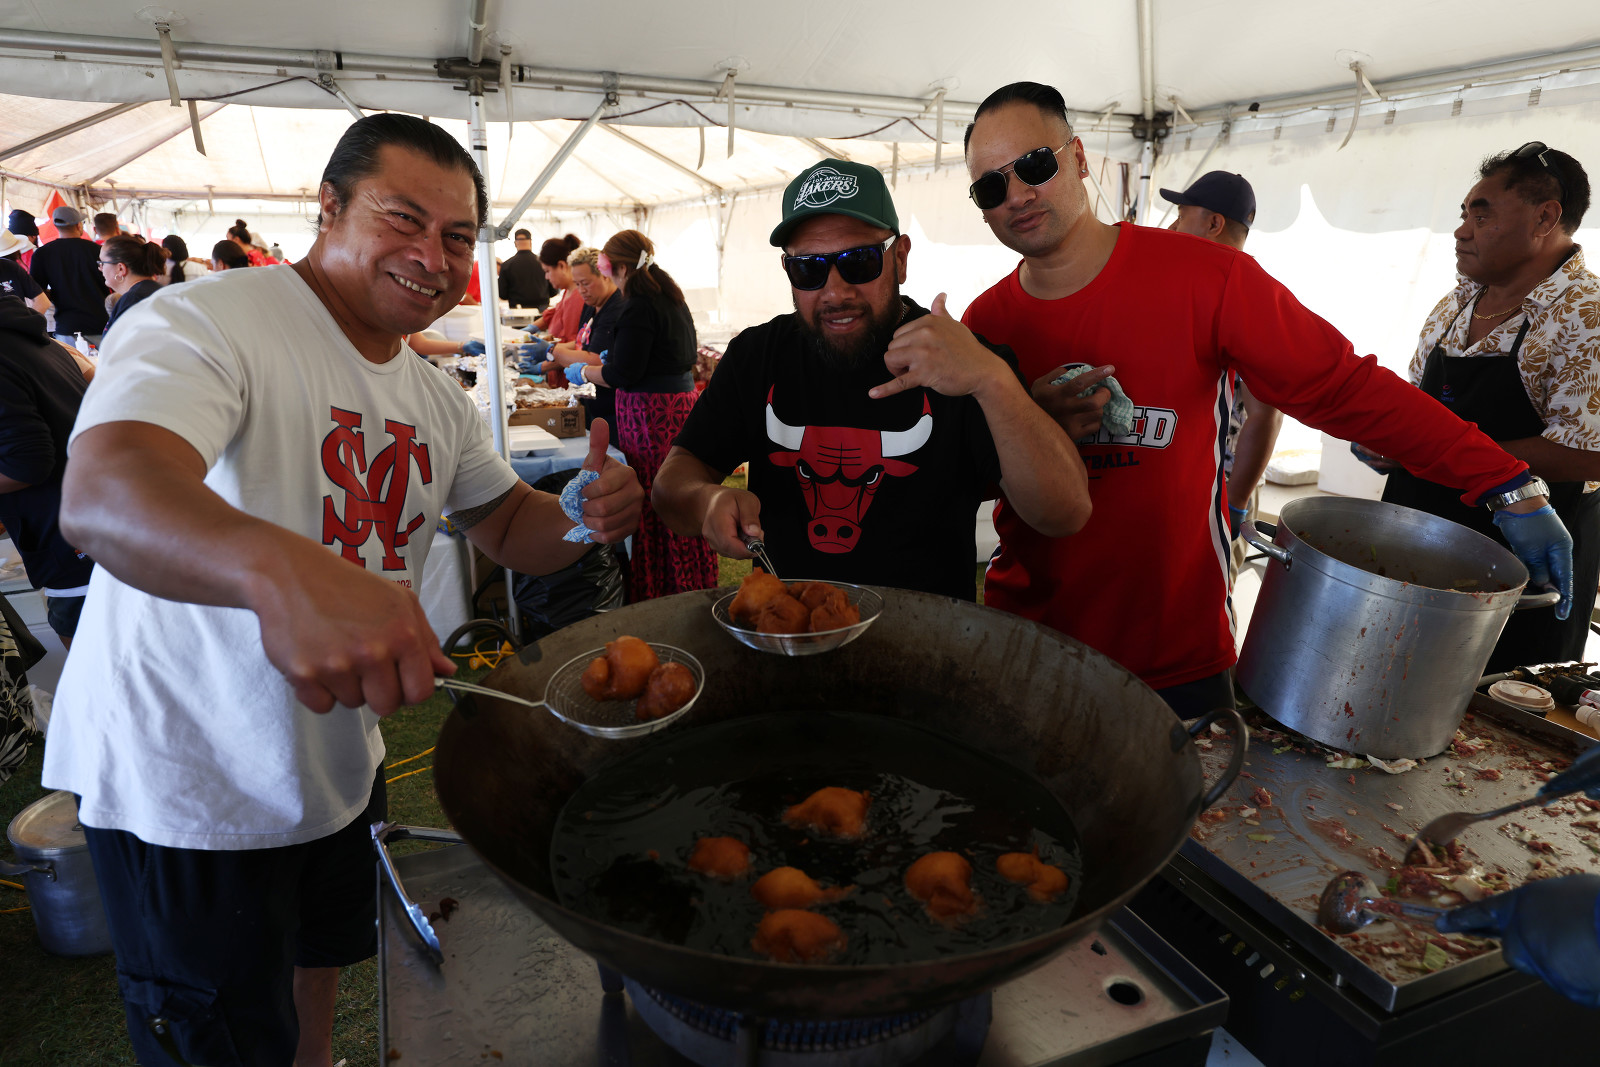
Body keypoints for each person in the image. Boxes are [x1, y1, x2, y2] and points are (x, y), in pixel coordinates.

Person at [44, 112, 644, 1066]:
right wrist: (283, 568)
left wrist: (583, 510)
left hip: (333, 765)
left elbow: (505, 525)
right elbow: (106, 491)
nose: (433, 257)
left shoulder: (433, 395)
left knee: (316, 978)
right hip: (189, 782)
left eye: (457, 237)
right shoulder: (209, 321)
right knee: (222, 1037)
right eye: (402, 218)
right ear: (328, 206)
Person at [959, 82, 1574, 717]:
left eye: (1035, 165)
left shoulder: (1204, 277)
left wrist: (1504, 481)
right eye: (991, 187)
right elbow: (953, 482)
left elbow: (1343, 387)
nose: (1018, 195)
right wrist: (1025, 420)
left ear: (1079, 157)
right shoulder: (983, 326)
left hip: (1173, 657)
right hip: (1025, 644)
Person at [653, 159, 1089, 598]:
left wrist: (991, 379)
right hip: (788, 628)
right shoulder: (756, 357)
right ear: (788, 272)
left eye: (859, 262)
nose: (835, 291)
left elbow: (1064, 513)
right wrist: (706, 500)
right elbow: (672, 483)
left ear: (899, 258)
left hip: (928, 633)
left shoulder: (964, 360)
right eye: (809, 268)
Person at [1356, 144, 1599, 672]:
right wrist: (1389, 437)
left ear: (1545, 218)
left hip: (1519, 566)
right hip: (1417, 541)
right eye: (1464, 213)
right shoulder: (1457, 302)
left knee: (1490, 706)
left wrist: (1445, 454)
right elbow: (1415, 402)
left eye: (1482, 215)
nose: (1461, 231)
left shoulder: (1586, 314)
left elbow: (1591, 454)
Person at [566, 229, 717, 599]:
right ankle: (691, 579)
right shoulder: (670, 295)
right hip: (677, 407)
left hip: (651, 416)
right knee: (676, 489)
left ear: (618, 268)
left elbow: (623, 374)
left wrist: (585, 371)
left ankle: (663, 586)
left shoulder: (637, 305)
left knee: (654, 495)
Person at [1159, 171, 1284, 575]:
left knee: (1210, 589)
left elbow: (1267, 416)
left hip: (1223, 485)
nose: (1173, 227)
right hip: (1183, 479)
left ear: (1214, 223)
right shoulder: (1193, 289)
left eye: (1182, 216)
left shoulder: (1248, 298)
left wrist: (1235, 502)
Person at [0, 294, 93, 646]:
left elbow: (27, 464)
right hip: (96, 514)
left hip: (70, 539)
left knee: (92, 663)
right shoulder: (36, 338)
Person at [540, 245, 623, 427]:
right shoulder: (592, 303)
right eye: (577, 284)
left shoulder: (615, 309)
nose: (581, 290)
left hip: (611, 409)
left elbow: (594, 358)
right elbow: (582, 341)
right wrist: (550, 349)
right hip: (591, 403)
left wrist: (553, 352)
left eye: (585, 283)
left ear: (605, 275)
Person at [29, 205, 109, 346]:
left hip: (67, 325)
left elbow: (37, 292)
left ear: (55, 226)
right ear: (78, 225)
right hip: (99, 322)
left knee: (71, 361)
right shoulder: (98, 250)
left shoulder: (43, 254)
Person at [99, 234, 167, 335]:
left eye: (103, 263)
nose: (100, 268)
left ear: (121, 269)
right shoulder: (156, 290)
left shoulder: (132, 300)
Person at [536, 234, 584, 341]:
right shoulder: (568, 291)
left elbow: (573, 340)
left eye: (547, 271)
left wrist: (550, 348)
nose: (546, 277)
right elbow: (556, 312)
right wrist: (533, 327)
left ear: (562, 266)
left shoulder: (578, 297)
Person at [499, 227, 552, 309]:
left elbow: (503, 295)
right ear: (530, 242)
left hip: (518, 310)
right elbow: (553, 290)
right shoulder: (544, 263)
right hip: (541, 309)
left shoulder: (506, 265)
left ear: (515, 243)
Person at [0, 229, 51, 314]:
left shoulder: (13, 268)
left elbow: (43, 302)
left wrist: (29, 321)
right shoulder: (14, 267)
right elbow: (43, 302)